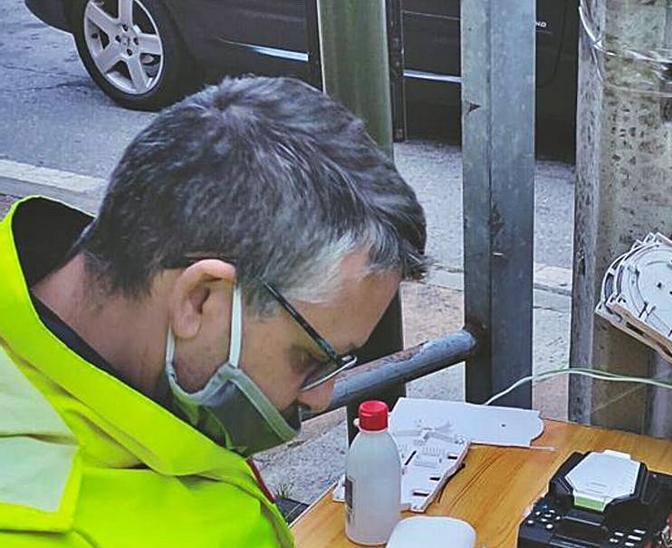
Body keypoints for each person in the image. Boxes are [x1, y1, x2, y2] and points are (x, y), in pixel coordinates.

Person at [0, 76, 428, 546]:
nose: (321, 398)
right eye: (310, 358)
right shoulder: (34, 526)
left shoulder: (142, 385)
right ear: (201, 297)